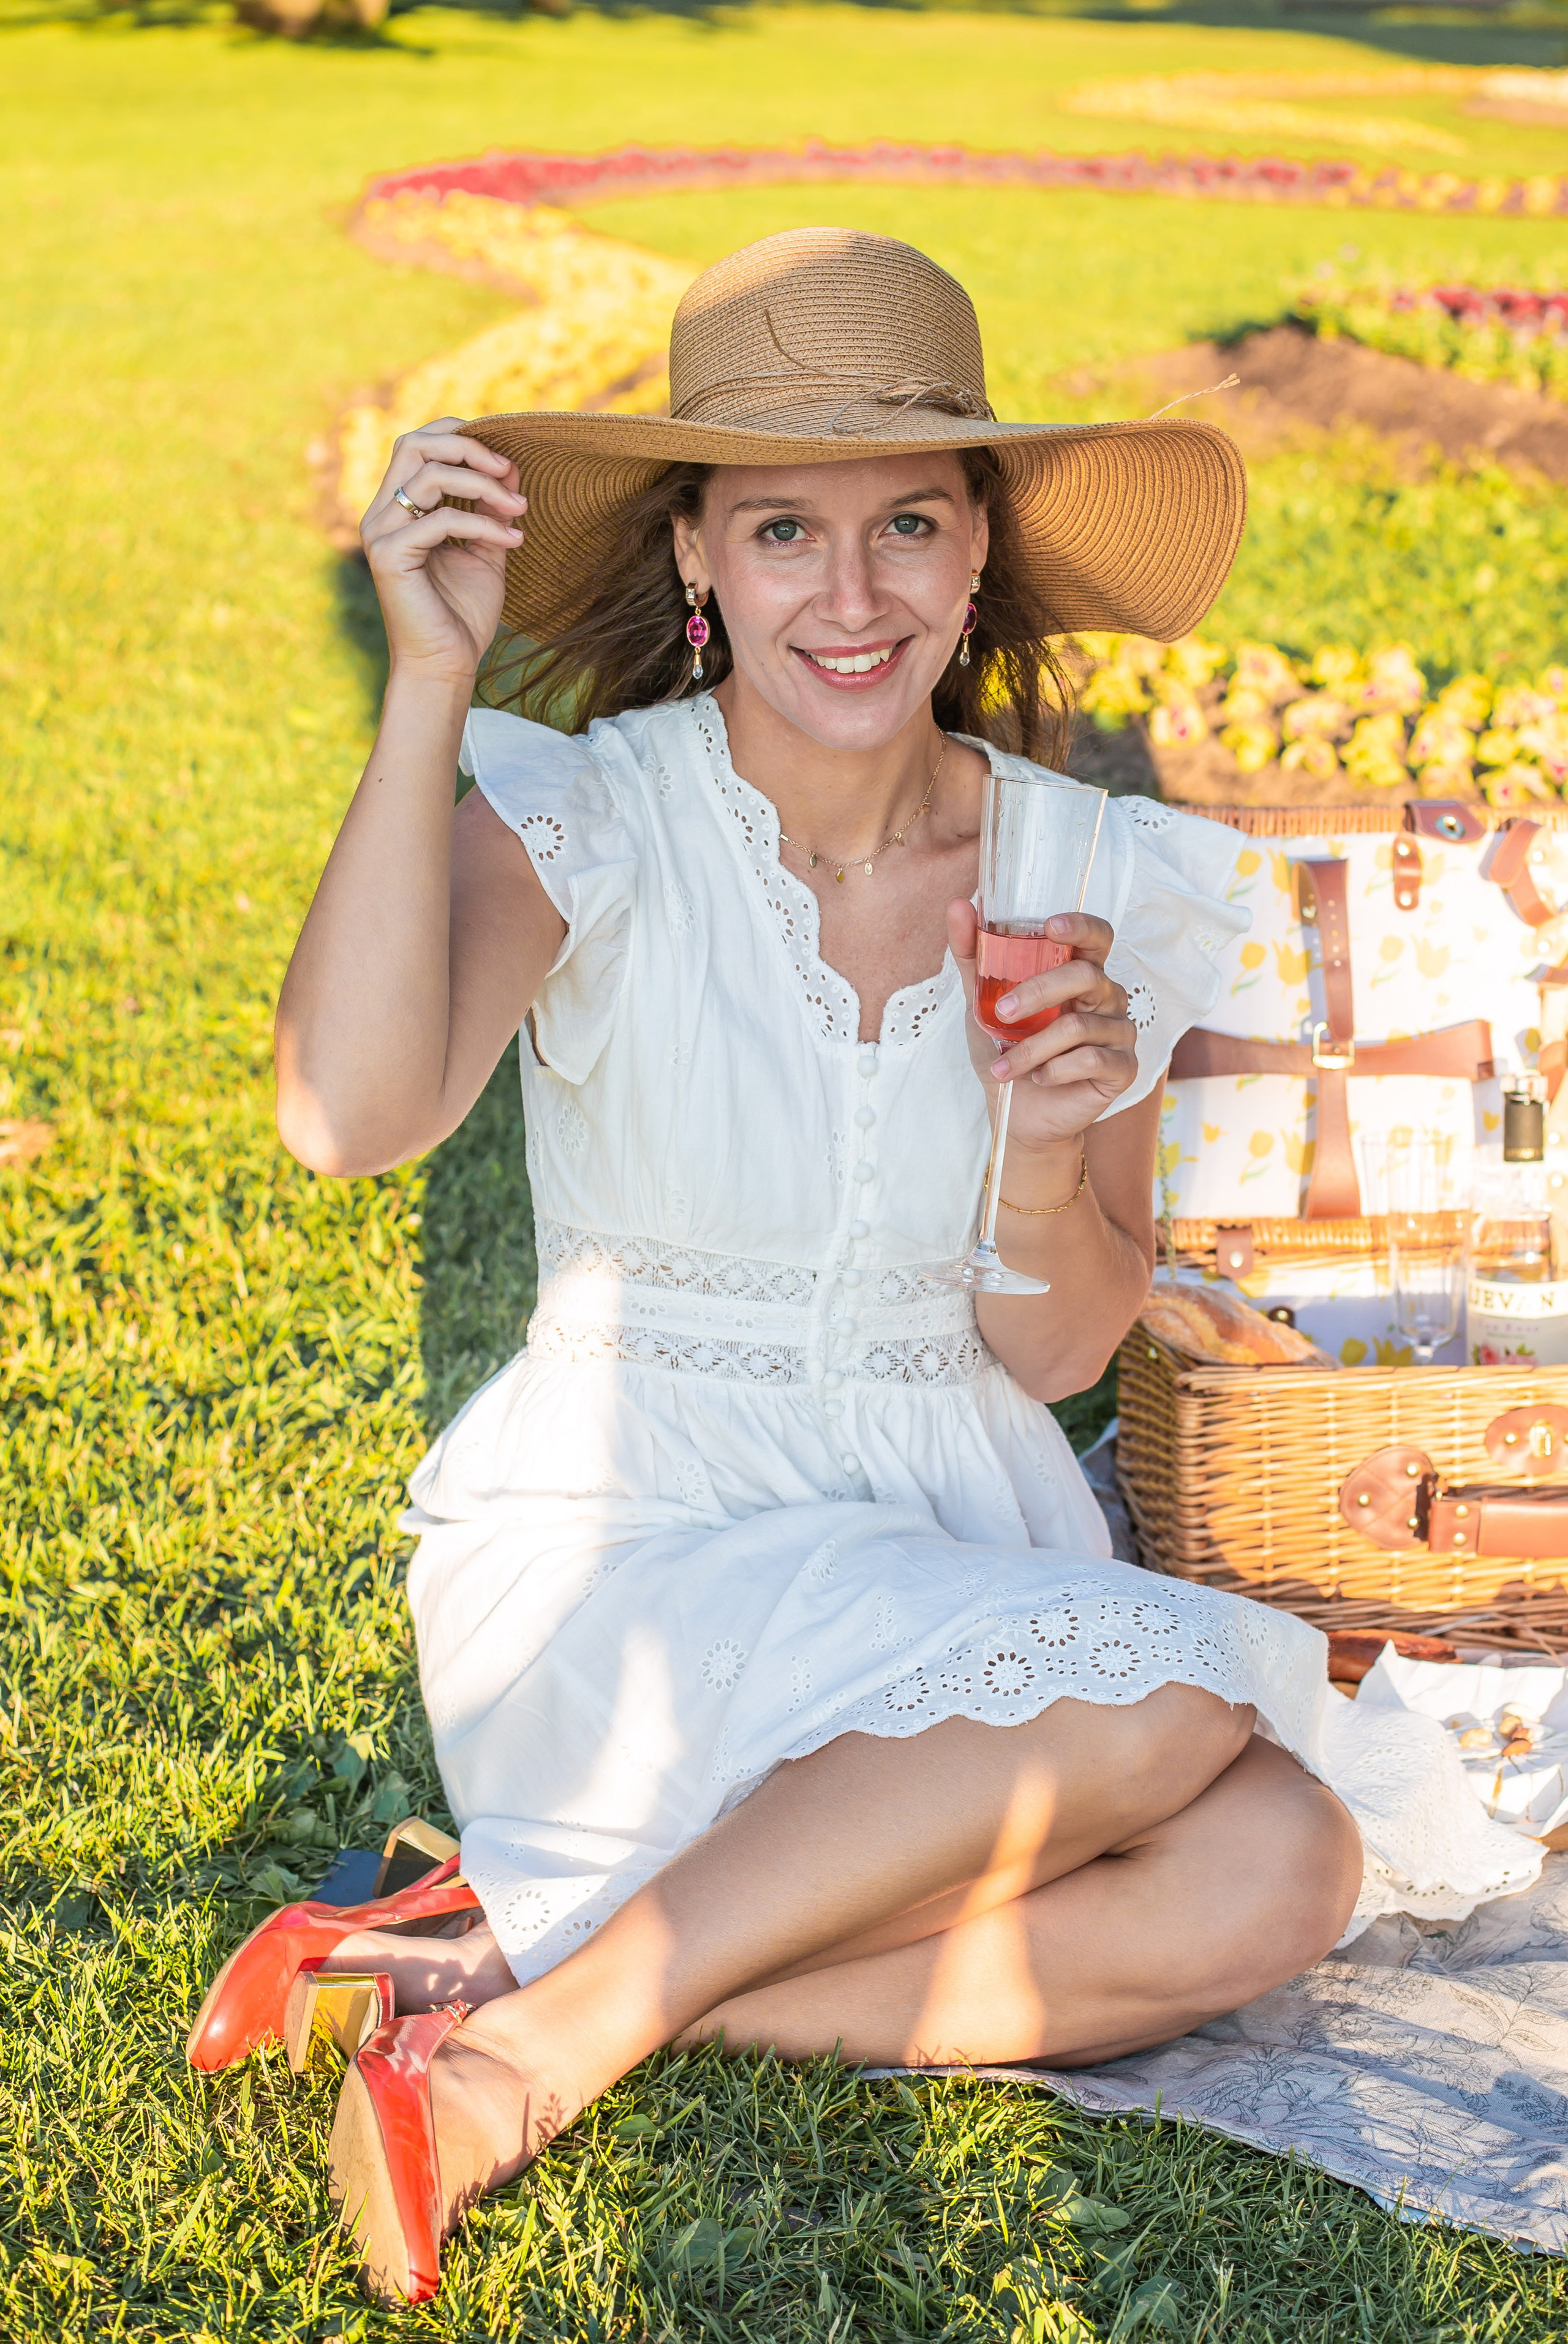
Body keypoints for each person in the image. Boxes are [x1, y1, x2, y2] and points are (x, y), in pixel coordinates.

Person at [188, 229, 1539, 2305]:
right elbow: (341, 1116)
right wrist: (431, 690)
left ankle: (539, 1968)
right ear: (700, 563)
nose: (854, 594)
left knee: (1293, 1861)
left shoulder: (1092, 876)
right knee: (1180, 1687)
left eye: (908, 522)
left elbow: (1065, 1339)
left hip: (941, 1528)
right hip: (635, 1547)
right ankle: (524, 2057)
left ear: (980, 550)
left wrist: (1042, 1154)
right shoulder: (599, 821)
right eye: (786, 530)